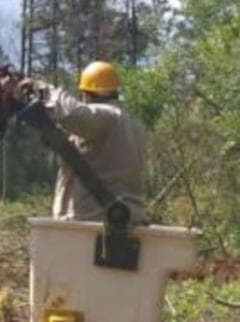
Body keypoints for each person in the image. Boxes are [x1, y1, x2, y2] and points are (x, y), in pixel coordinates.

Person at [17, 61, 147, 225]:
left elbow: (71, 115)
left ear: (86, 94)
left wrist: (43, 89)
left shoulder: (106, 116)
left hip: (93, 219)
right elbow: (91, 154)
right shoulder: (133, 123)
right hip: (128, 218)